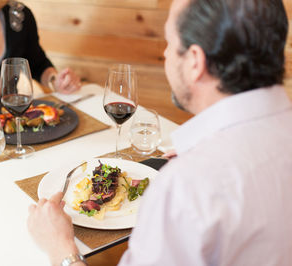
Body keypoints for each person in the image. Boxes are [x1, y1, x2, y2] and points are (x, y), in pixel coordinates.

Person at [27, 0, 292, 265]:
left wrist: (61, 248)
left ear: (195, 62)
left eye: (169, 44)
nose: (166, 55)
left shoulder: (186, 187)